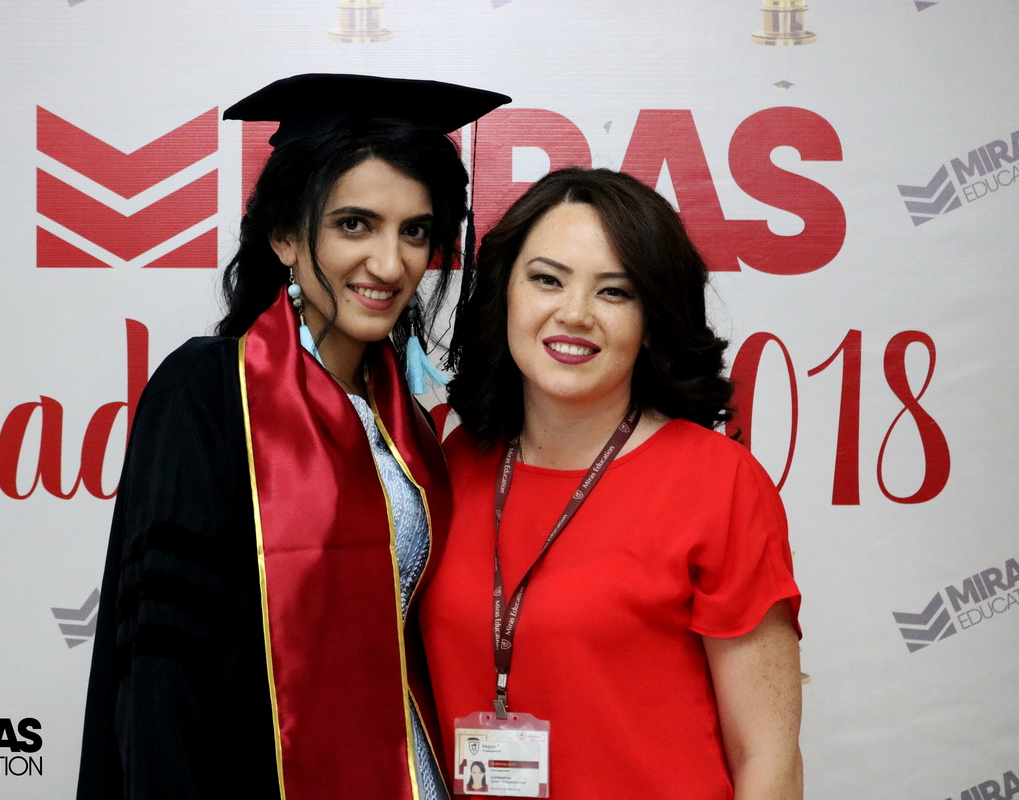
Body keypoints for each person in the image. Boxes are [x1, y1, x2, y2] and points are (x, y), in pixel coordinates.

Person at [76, 74, 509, 800]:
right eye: (354, 224)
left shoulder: (410, 424)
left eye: (414, 231)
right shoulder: (209, 393)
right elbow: (161, 671)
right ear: (283, 236)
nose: (390, 263)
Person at [420, 168, 803, 799]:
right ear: (505, 293)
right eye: (547, 279)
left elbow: (768, 758)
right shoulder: (444, 462)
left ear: (651, 320)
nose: (574, 314)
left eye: (614, 292)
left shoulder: (719, 482)